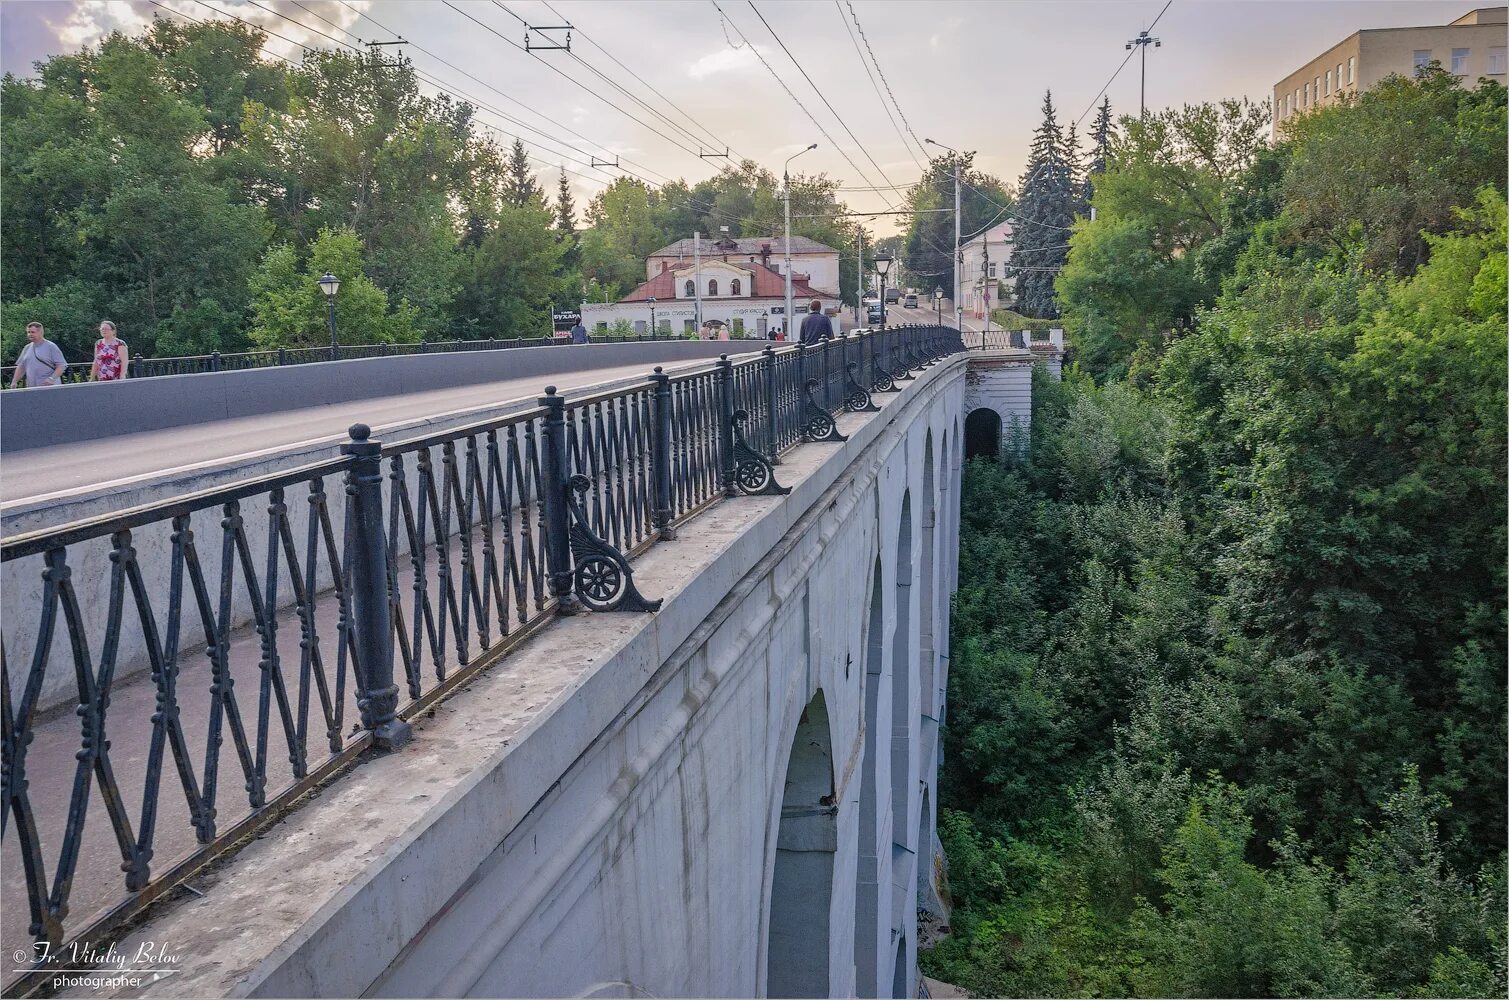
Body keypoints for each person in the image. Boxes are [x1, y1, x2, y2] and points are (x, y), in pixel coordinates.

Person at [10, 321, 67, 388]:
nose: (30, 334)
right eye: (28, 332)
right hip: (32, 387)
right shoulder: (27, 348)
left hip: (50, 387)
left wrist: (52, 378)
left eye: (33, 332)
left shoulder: (51, 346)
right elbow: (21, 367)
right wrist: (14, 381)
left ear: (41, 333)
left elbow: (61, 365)